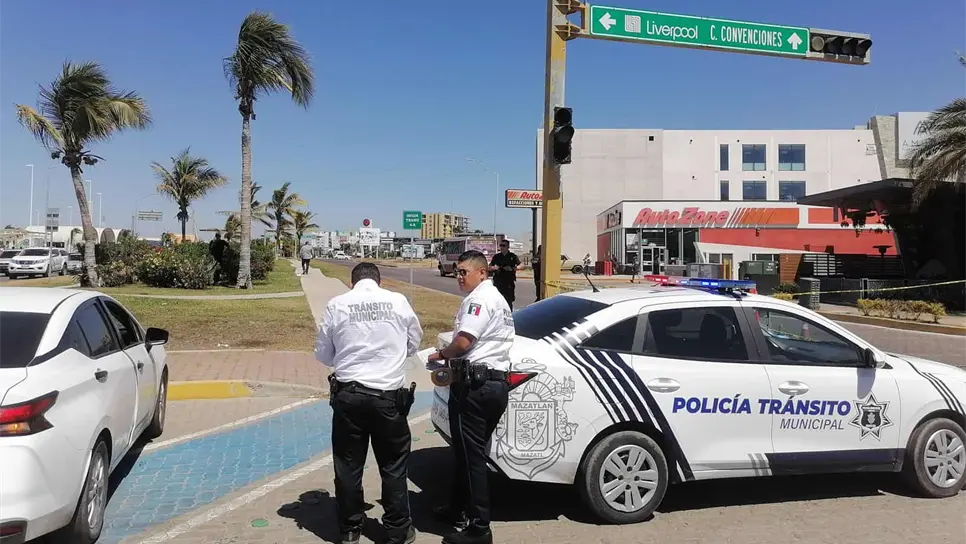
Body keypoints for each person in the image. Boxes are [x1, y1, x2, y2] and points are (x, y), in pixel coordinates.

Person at [315, 262, 423, 544]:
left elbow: (325, 355)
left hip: (348, 396)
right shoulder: (397, 301)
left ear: (353, 283)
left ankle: (350, 528)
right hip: (389, 399)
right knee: (394, 466)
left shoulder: (337, 304)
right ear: (379, 281)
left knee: (348, 465)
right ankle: (397, 529)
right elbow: (414, 342)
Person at [427, 250, 514, 544]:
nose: (458, 276)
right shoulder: (498, 299)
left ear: (482, 273)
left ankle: (479, 528)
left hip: (476, 387)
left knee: (472, 457)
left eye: (464, 272)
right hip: (492, 385)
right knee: (467, 452)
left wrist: (440, 354)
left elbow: (464, 341)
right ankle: (457, 509)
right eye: (457, 271)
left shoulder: (479, 299)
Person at [487, 240, 521, 310]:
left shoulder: (512, 256)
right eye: (501, 245)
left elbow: (521, 265)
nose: (502, 247)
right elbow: (489, 267)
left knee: (508, 301)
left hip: (509, 282)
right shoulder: (496, 256)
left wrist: (513, 268)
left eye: (504, 245)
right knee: (497, 301)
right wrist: (494, 268)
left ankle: (509, 316)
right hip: (498, 281)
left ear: (508, 247)